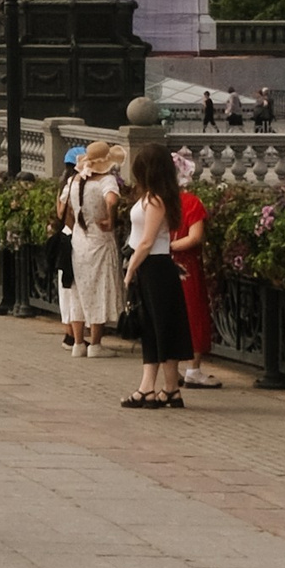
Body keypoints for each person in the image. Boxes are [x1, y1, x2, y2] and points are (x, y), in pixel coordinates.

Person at [121, 140, 191, 409]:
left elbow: (147, 241)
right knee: (153, 327)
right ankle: (159, 388)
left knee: (161, 327)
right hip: (151, 266)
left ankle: (159, 388)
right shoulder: (151, 196)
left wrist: (131, 269)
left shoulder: (156, 200)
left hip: (155, 266)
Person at [57, 142, 125, 359]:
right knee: (98, 289)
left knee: (78, 290)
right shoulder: (106, 181)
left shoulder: (74, 180)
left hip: (79, 240)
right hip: (100, 240)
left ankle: (78, 343)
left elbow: (63, 209)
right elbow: (111, 200)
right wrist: (110, 220)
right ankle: (95, 343)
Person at [168, 163, 221, 389]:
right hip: (186, 265)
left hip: (161, 264)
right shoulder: (191, 202)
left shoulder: (158, 202)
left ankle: (171, 370)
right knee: (194, 313)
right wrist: (173, 246)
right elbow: (195, 237)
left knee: (169, 316)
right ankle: (193, 369)